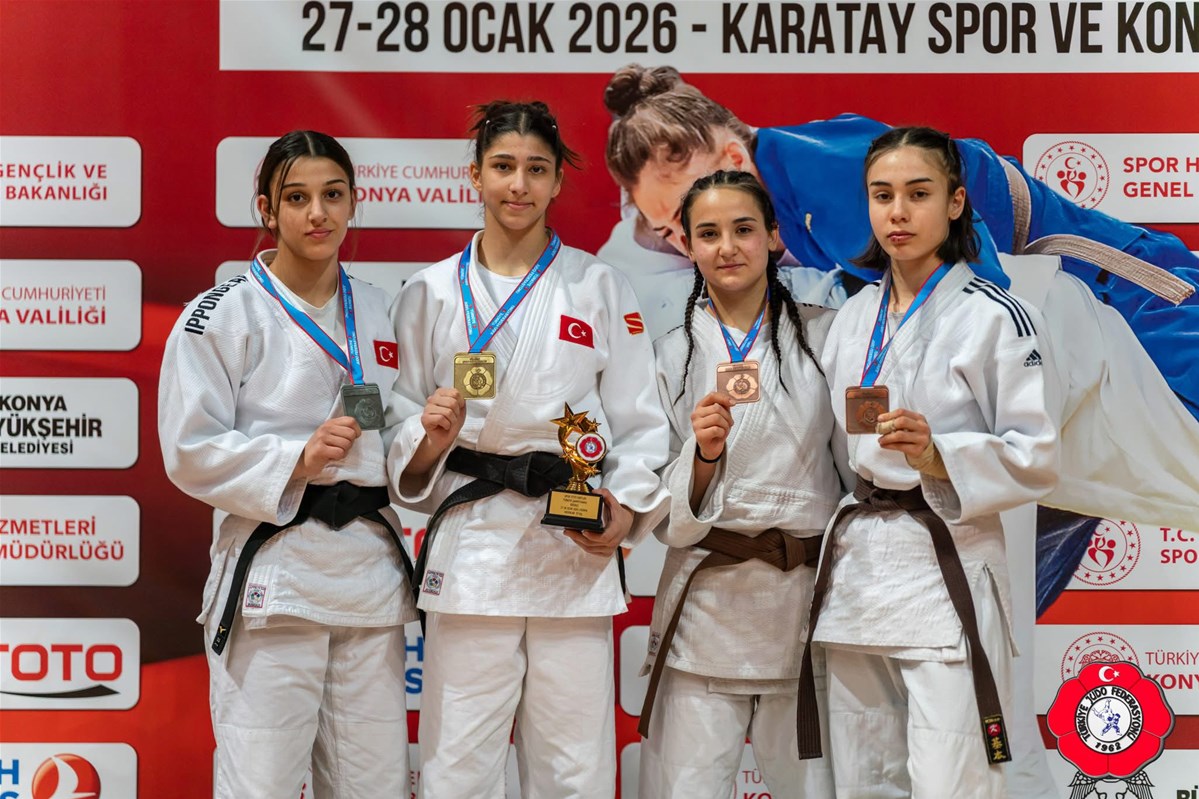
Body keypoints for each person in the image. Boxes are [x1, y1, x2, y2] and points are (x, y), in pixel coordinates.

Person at [602, 64, 1199, 423]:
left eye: (684, 210)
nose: (687, 240)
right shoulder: (783, 189)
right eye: (668, 231)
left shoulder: (831, 180)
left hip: (1118, 286)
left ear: (733, 158)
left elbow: (975, 291)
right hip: (1049, 313)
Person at [386, 100, 669, 798]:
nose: (519, 185)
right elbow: (397, 420)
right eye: (503, 167)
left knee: (575, 767)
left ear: (557, 182)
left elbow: (640, 421)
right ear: (475, 176)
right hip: (473, 547)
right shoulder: (428, 292)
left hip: (570, 543)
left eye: (536, 169)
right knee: (457, 765)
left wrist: (624, 507)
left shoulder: (598, 285)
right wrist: (426, 436)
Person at [794, 126, 1059, 798]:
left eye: (918, 193)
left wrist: (939, 453)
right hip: (861, 573)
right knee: (864, 778)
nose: (898, 212)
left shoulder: (998, 317)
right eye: (882, 195)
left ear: (955, 201)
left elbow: (1034, 456)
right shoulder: (853, 317)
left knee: (952, 779)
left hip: (948, 565)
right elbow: (835, 452)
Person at [158, 130, 415, 799]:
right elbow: (189, 448)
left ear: (353, 202)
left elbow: (400, 433)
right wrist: (294, 458)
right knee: (261, 785)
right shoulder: (220, 314)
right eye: (296, 198)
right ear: (267, 210)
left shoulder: (381, 309)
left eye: (332, 194)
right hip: (275, 576)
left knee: (375, 786)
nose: (317, 213)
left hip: (370, 577)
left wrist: (431, 436)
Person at [637, 170, 842, 798]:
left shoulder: (828, 336)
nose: (727, 247)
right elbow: (654, 489)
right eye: (708, 233)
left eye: (743, 229)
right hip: (706, 603)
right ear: (688, 246)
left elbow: (856, 472)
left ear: (774, 236)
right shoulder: (669, 354)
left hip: (802, 601)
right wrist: (703, 456)